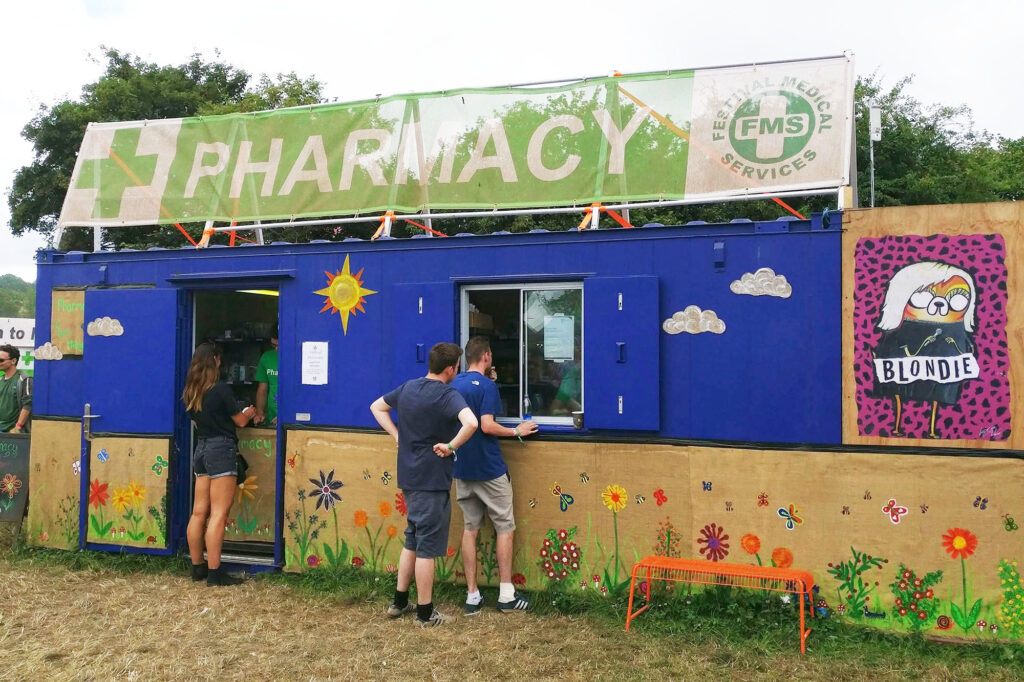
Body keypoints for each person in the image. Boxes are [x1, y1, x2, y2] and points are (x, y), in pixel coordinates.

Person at [370, 342, 478, 627]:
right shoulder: (447, 395)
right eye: (458, 366)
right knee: (427, 547)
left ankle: (399, 602)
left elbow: (377, 407)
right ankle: (425, 612)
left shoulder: (408, 388)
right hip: (432, 479)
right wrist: (450, 446)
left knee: (413, 539)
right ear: (450, 369)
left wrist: (397, 435)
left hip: (409, 476)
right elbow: (472, 423)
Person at [451, 337, 537, 613]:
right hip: (489, 469)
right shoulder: (487, 387)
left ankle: (472, 595)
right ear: (487, 356)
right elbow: (487, 425)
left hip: (462, 468)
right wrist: (516, 431)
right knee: (504, 528)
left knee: (470, 529)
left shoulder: (452, 385)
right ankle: (506, 595)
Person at [182, 342, 256, 586]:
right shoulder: (221, 389)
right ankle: (215, 573)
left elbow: (196, 422)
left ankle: (197, 568)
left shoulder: (192, 391)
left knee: (198, 512)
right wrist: (250, 411)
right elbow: (241, 422)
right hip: (221, 449)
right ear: (214, 359)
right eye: (219, 358)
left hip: (201, 450)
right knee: (218, 514)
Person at [0, 345, 32, 434]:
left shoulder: (24, 379)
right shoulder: (0, 380)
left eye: (1, 360)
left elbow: (28, 405)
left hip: (14, 433)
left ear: (13, 361)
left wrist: (17, 427)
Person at [254, 324, 279, 426]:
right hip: (271, 418)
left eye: (280, 345)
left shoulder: (299, 357)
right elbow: (262, 389)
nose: (276, 349)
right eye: (274, 345)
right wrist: (260, 412)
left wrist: (286, 415)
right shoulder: (266, 357)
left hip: (292, 420)